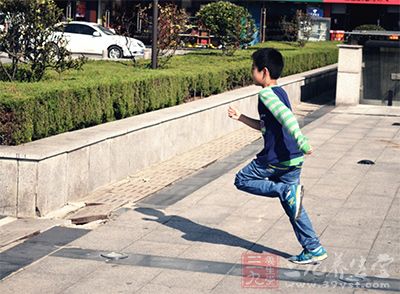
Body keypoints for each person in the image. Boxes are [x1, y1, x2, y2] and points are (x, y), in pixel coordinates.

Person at [228, 48, 327, 264]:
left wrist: (303, 141)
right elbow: (266, 126)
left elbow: (287, 118)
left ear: (263, 71)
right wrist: (241, 117)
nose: (250, 72)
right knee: (293, 204)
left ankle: (285, 190)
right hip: (292, 160)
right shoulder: (279, 92)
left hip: (276, 159)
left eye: (252, 68)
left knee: (242, 180)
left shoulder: (266, 94)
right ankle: (314, 248)